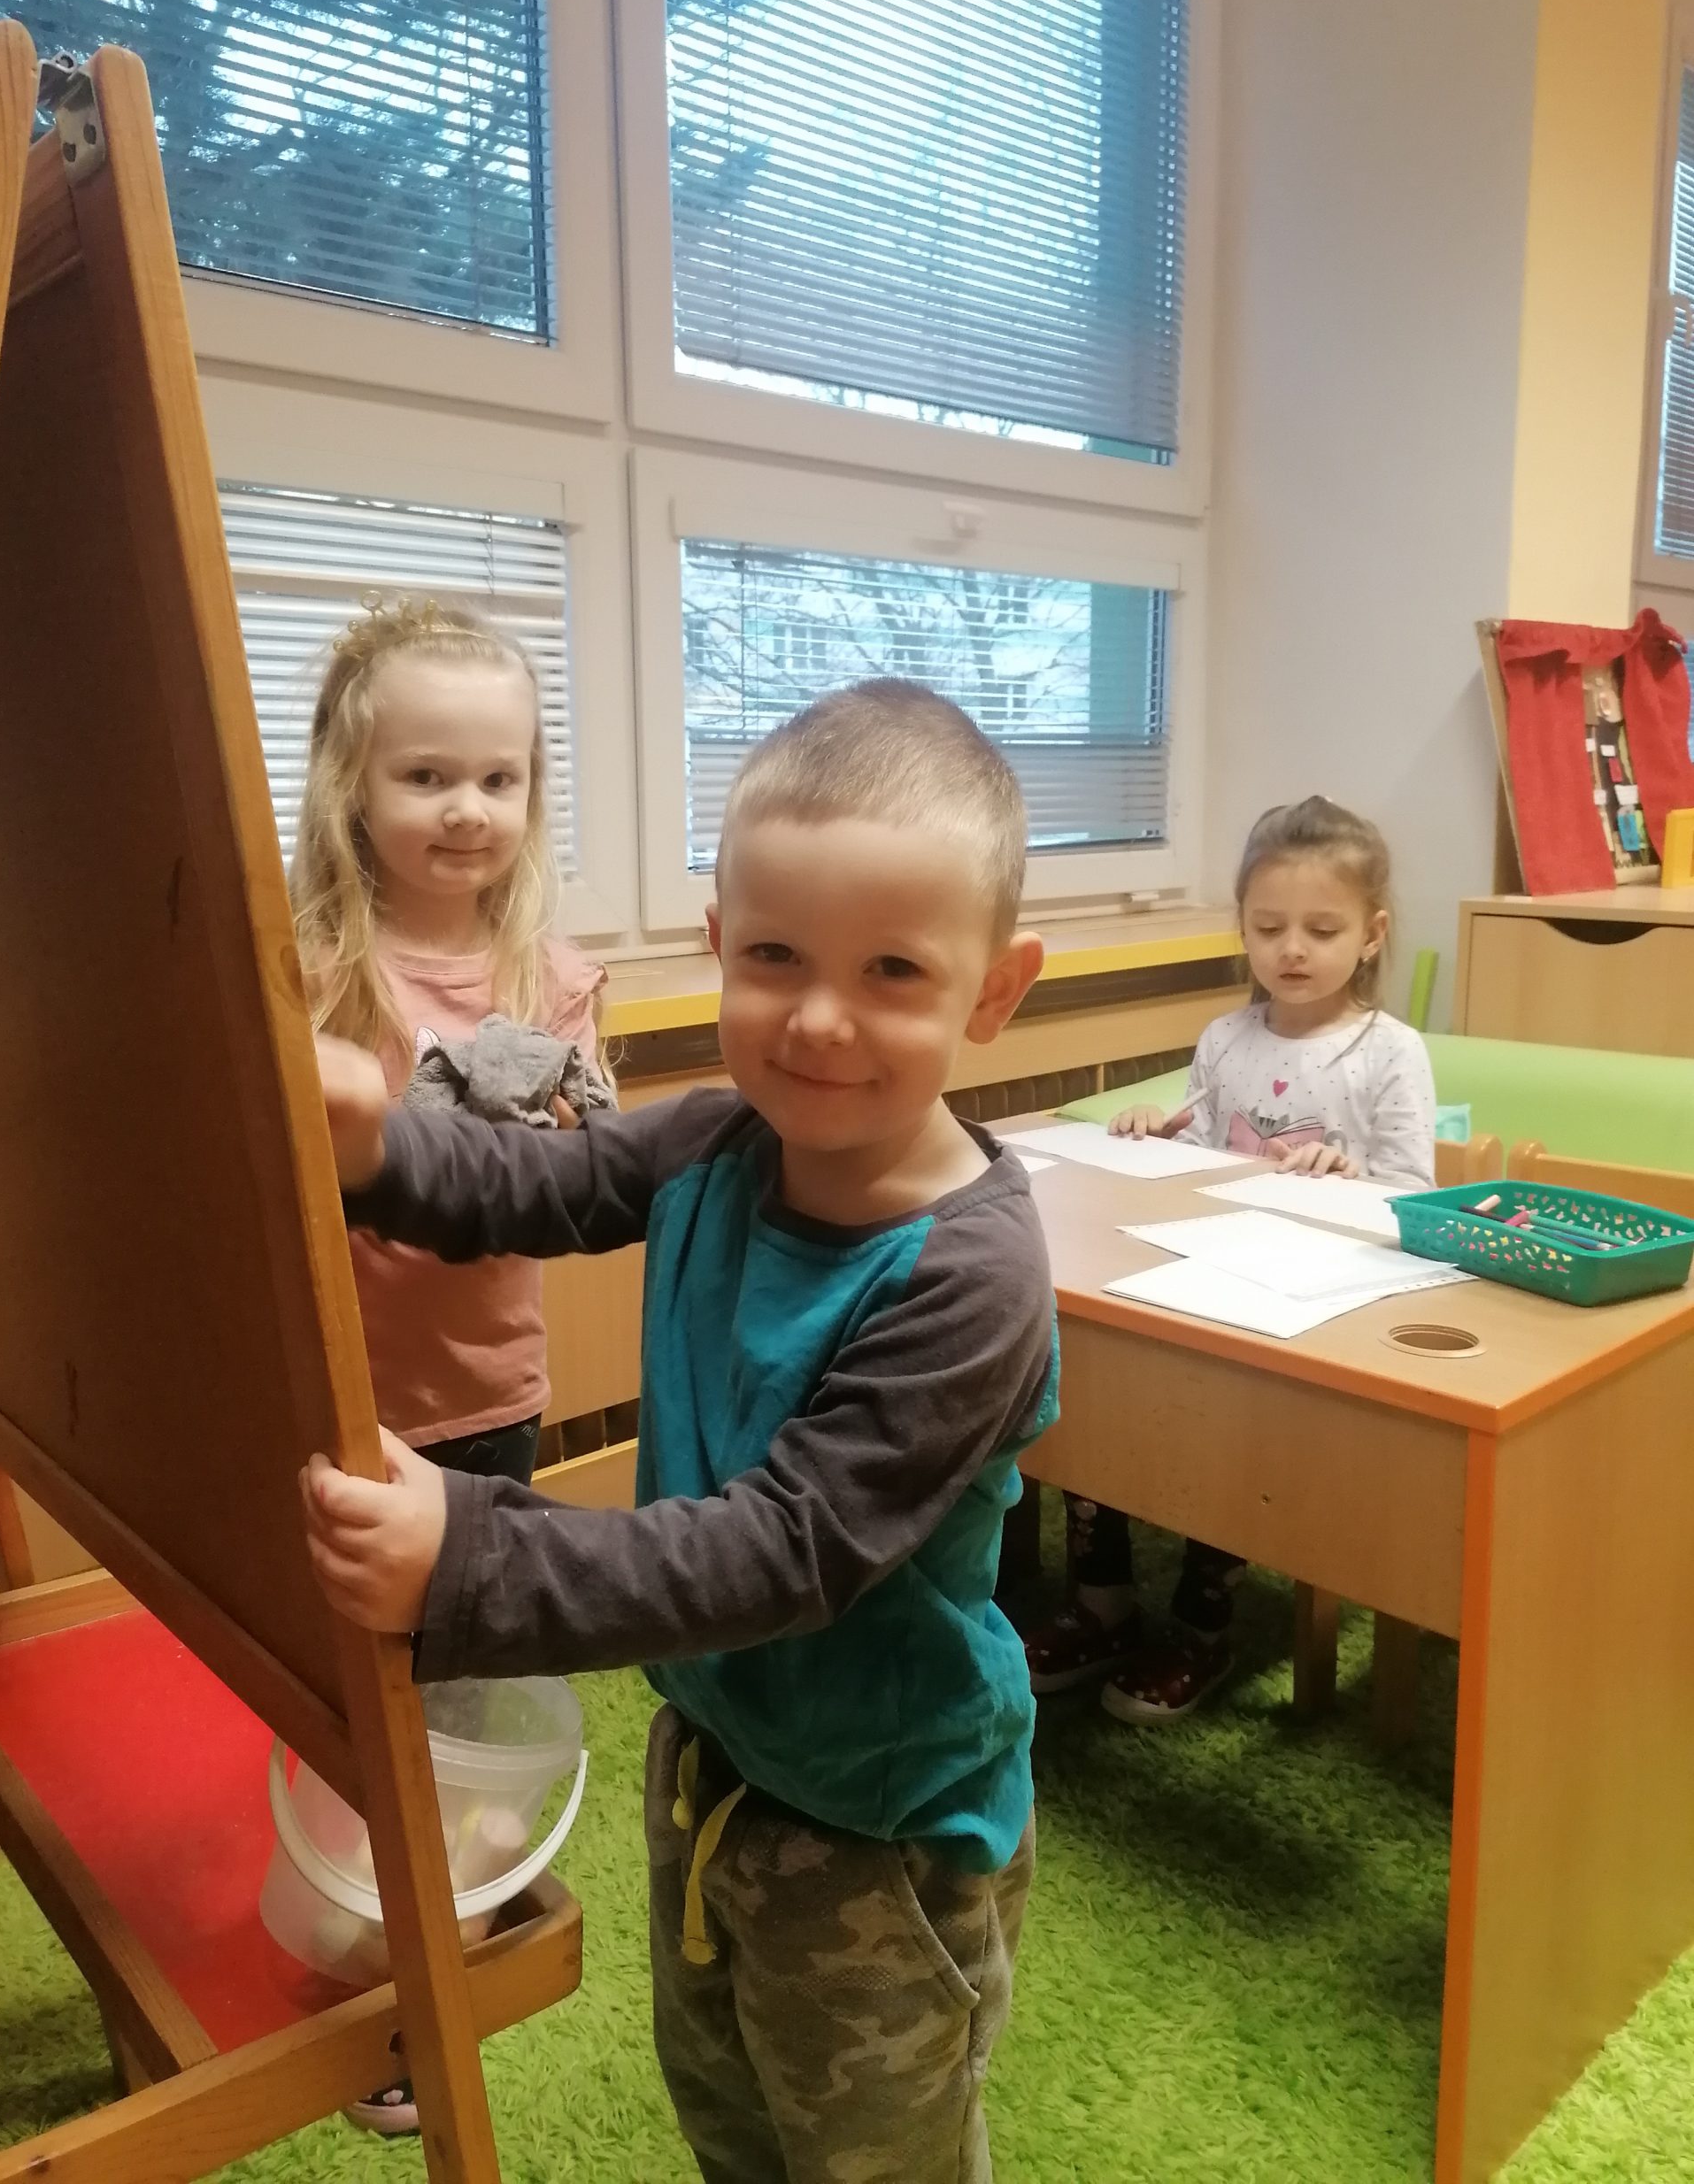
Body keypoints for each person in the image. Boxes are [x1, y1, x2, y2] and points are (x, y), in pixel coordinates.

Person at [301, 678, 1057, 2184]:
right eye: (775, 956)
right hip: (715, 1755)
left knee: (872, 2158)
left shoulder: (970, 1278)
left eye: (893, 970)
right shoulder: (719, 1138)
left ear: (994, 989)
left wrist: (470, 1554)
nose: (820, 1018)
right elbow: (535, 1183)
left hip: (885, 1821)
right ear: (719, 942)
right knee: (729, 2109)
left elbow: (779, 1551)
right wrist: (375, 1139)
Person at [290, 593, 611, 2135]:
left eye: (500, 776)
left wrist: (555, 1130)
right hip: (343, 1392)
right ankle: (383, 1937)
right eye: (427, 775)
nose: (468, 808)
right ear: (353, 784)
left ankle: (437, 1951)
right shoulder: (311, 969)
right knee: (357, 1693)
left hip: (487, 1399)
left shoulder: (553, 978)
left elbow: (593, 1173)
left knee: (466, 1691)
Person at [1022, 796, 1436, 1726]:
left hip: (1307, 1300)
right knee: (1102, 1390)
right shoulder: (1225, 1038)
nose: (1292, 949)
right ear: (1242, 928)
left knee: (1228, 1440)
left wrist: (1351, 1173)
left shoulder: (1390, 1053)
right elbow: (1202, 1156)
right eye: (1268, 927)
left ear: (1371, 935)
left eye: (1321, 929)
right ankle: (1101, 1606)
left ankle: (1203, 1627)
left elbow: (1414, 1193)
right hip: (1203, 1274)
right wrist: (1155, 1127)